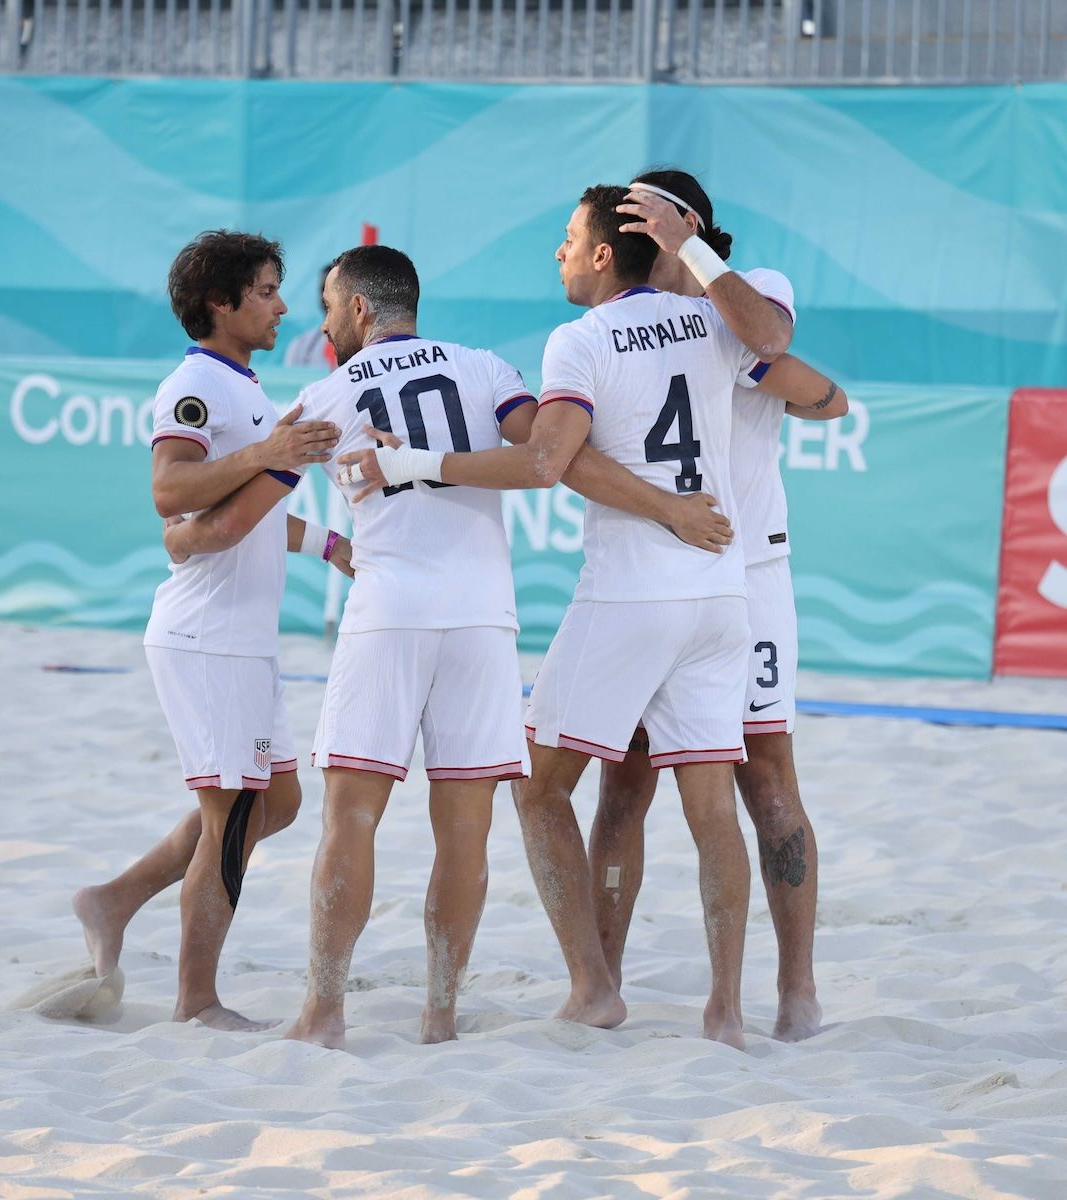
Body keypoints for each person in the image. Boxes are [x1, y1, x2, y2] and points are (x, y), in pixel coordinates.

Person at [166, 243, 741, 1048]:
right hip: (482, 619)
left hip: (389, 612)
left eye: (329, 305)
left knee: (353, 818)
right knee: (464, 827)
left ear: (361, 310)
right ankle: (439, 1015)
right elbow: (550, 456)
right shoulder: (485, 370)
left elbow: (227, 522)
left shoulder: (330, 393)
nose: (322, 320)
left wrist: (184, 535)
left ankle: (323, 1012)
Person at [338, 185, 836, 1048]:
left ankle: (593, 987)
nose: (558, 252)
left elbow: (544, 463)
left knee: (538, 786)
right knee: (710, 801)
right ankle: (726, 1009)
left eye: (568, 238)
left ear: (607, 253)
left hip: (634, 590)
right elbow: (809, 381)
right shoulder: (712, 320)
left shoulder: (580, 337)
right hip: (725, 590)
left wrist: (414, 465)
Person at [586, 170, 847, 1042]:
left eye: (646, 213)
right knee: (622, 784)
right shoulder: (615, 321)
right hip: (652, 570)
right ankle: (603, 984)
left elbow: (788, 359)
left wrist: (685, 244)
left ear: (682, 219)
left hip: (747, 570)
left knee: (765, 775)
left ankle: (796, 992)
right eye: (631, 219)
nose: (638, 227)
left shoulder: (747, 290)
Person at [72, 229, 346, 1032]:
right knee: (230, 818)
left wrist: (333, 546)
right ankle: (197, 1003)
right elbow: (170, 490)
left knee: (278, 802)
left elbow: (247, 516)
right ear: (220, 303)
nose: (283, 306)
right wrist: (272, 450)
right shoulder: (194, 385)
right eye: (265, 290)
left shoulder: (246, 387)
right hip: (205, 635)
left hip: (242, 637)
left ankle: (113, 899)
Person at [284, 261, 338, 370]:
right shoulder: (300, 347)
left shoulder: (364, 348)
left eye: (335, 290)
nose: (327, 297)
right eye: (323, 289)